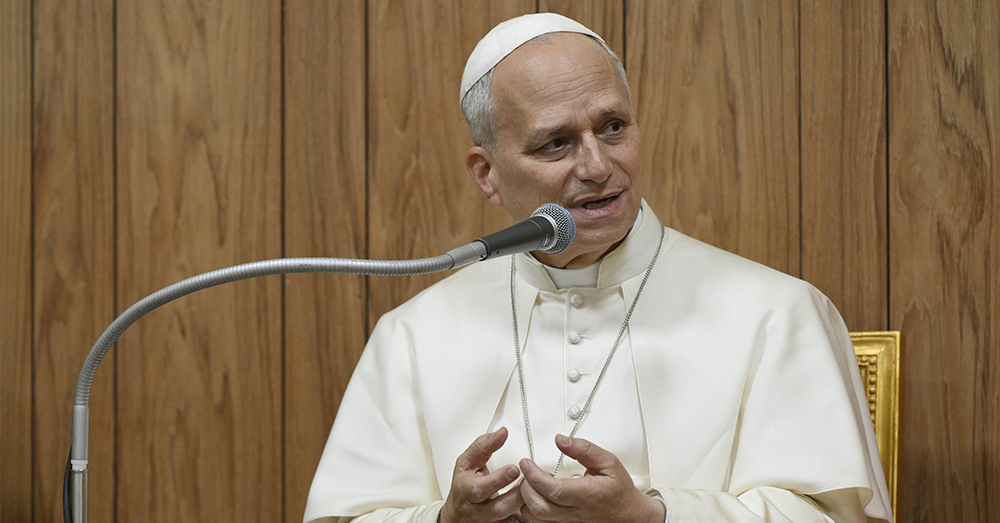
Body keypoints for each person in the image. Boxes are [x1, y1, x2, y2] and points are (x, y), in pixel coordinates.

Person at [304, 13, 893, 523]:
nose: (597, 165)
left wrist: (655, 517)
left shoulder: (778, 312)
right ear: (486, 175)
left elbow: (836, 517)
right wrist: (445, 518)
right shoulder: (411, 335)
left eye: (613, 127)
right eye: (555, 143)